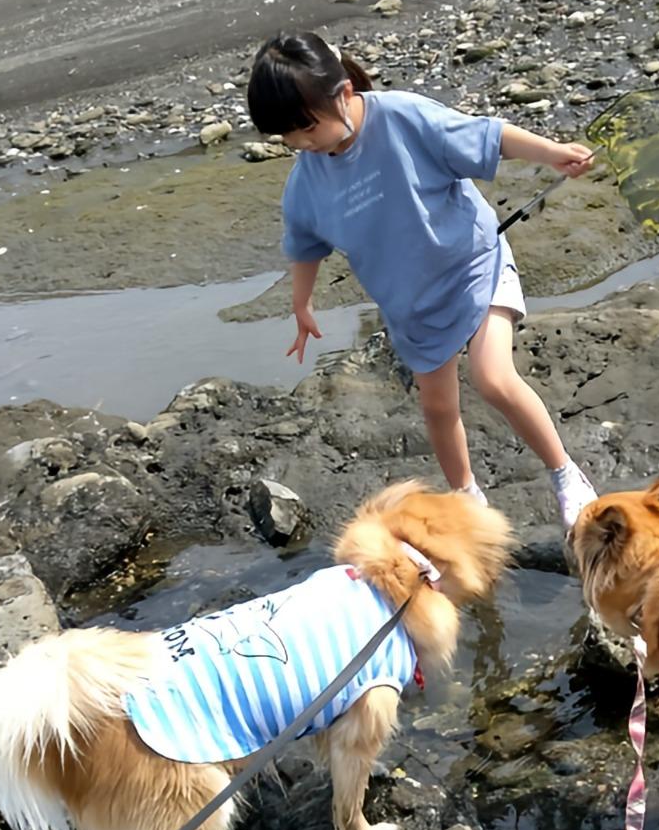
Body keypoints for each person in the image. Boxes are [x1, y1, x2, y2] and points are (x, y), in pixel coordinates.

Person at [246, 31, 598, 526]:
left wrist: (552, 151)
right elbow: (304, 244)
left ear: (343, 94)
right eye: (288, 137)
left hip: (475, 265)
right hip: (411, 302)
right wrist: (301, 306)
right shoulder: (306, 181)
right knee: (437, 407)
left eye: (307, 128)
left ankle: (565, 475)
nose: (301, 144)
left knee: (493, 378)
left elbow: (487, 135)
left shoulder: (401, 117)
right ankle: (467, 497)